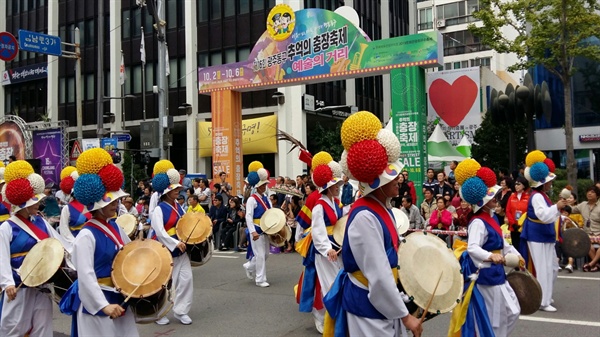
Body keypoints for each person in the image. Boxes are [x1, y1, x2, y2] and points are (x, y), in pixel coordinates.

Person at [323, 111, 422, 337]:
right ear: (377, 183)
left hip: (382, 300)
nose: (400, 179)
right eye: (393, 177)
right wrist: (405, 316)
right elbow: (377, 273)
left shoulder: (382, 208)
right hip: (369, 305)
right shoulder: (365, 216)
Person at [57, 148, 137, 336]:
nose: (116, 205)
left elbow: (129, 252)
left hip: (119, 294)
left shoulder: (115, 226)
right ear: (96, 205)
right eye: (110, 202)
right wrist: (103, 306)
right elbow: (85, 276)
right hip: (99, 302)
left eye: (116, 201)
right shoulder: (86, 235)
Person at [450, 158, 522, 337]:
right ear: (482, 200)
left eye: (496, 196)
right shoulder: (478, 222)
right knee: (495, 318)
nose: (496, 199)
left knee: (512, 311)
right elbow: (473, 248)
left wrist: (517, 256)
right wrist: (491, 256)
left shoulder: (492, 217)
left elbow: (503, 244)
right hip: (486, 275)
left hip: (497, 274)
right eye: (493, 197)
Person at [0, 160, 72, 336]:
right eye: (34, 201)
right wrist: (7, 283)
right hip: (19, 287)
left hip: (42, 284)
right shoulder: (7, 227)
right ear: (23, 203)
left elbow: (57, 243)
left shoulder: (42, 222)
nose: (37, 204)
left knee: (43, 328)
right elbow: (1, 257)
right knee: (13, 329)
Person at [520, 150, 565, 312]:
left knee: (552, 267)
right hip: (537, 235)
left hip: (544, 235)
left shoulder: (542, 195)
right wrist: (557, 207)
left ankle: (546, 295)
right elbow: (544, 215)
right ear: (542, 182)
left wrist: (558, 210)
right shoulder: (537, 196)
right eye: (549, 181)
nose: (551, 183)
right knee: (543, 268)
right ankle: (542, 301)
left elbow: (549, 215)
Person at [150, 160, 193, 325]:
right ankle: (159, 312)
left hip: (181, 247)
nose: (178, 191)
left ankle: (181, 310)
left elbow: (184, 223)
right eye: (175, 189)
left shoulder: (178, 206)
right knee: (166, 282)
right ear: (167, 192)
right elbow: (159, 232)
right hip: (167, 249)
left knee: (186, 279)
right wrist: (174, 243)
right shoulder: (159, 209)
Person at [309, 152, 345, 324]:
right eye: (335, 184)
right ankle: (321, 316)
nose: (338, 186)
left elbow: (342, 216)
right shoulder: (319, 205)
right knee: (328, 283)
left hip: (336, 246)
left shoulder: (334, 202)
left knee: (336, 281)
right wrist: (326, 249)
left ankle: (333, 317)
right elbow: (317, 231)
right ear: (328, 187)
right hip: (326, 250)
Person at [243, 161, 273, 288]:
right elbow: (248, 216)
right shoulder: (252, 199)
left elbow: (271, 212)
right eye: (264, 184)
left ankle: (249, 266)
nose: (266, 186)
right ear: (258, 186)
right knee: (260, 255)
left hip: (265, 229)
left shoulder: (266, 198)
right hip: (256, 229)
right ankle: (260, 279)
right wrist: (252, 231)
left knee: (265, 254)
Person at [570, 185, 600, 272]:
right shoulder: (583, 205)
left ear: (597, 195)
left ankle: (591, 264)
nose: (589, 193)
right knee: (586, 244)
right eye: (588, 192)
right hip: (587, 234)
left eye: (592, 192)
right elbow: (571, 209)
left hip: (599, 233)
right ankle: (597, 264)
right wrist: (563, 203)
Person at [505, 176, 530, 250]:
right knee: (515, 247)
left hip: (524, 227)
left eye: (518, 184)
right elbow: (508, 211)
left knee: (525, 248)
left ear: (524, 185)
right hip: (514, 227)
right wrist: (513, 223)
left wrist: (522, 223)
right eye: (515, 184)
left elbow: (529, 212)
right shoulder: (511, 197)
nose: (516, 186)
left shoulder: (528, 197)